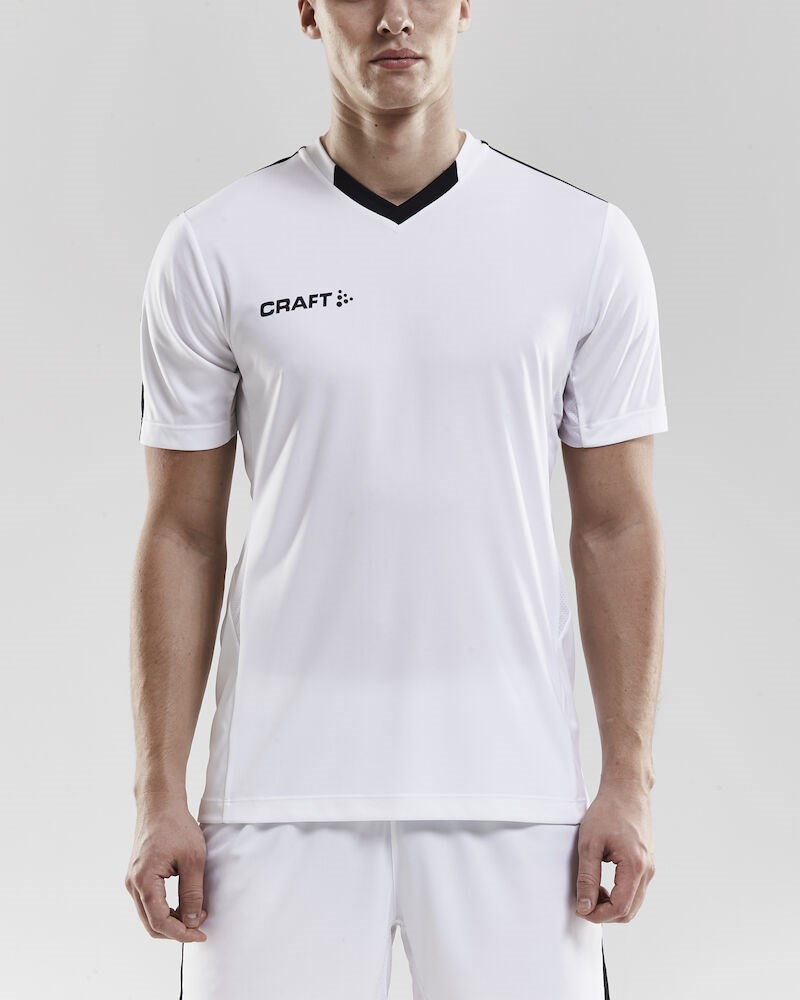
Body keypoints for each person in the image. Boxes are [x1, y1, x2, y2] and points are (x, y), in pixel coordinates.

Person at [125, 2, 667, 997]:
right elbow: (182, 534)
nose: (393, 18)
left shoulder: (582, 242)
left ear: (465, 7)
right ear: (306, 12)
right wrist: (157, 791)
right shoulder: (213, 247)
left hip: (515, 800)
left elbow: (615, 525)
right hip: (276, 798)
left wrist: (627, 782)